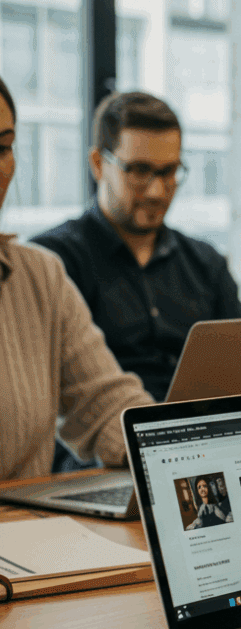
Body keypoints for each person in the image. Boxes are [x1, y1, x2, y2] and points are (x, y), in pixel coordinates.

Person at [32, 92, 241, 403]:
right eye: (139, 171)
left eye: (169, 172)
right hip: (101, 441)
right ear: (98, 164)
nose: (157, 191)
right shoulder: (53, 263)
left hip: (198, 437)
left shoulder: (206, 263)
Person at [0, 74, 154, 481]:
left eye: (2, 148)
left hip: (27, 535)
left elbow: (106, 403)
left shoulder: (39, 275)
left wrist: (172, 450)